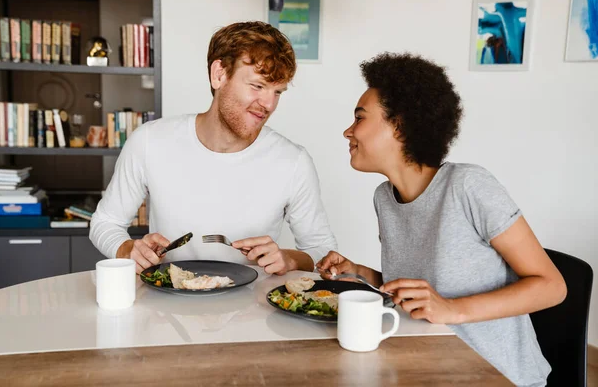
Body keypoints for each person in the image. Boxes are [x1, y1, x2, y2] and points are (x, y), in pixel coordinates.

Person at [317, 52, 566, 386]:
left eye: (360, 117)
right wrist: (362, 273)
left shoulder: (468, 186)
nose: (348, 131)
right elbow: (421, 294)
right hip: (432, 367)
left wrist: (453, 309)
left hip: (499, 377)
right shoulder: (384, 198)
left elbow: (552, 286)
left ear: (399, 125)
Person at [90, 21, 337, 275]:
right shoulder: (150, 141)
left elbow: (322, 249)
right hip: (167, 308)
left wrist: (290, 259)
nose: (268, 104)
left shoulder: (293, 161)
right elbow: (105, 222)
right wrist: (127, 249)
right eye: (258, 86)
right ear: (219, 74)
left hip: (254, 311)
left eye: (277, 92)